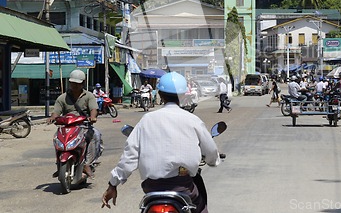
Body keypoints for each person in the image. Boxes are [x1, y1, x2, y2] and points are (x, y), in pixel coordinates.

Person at [101, 72, 221, 212]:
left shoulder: (147, 120)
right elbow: (211, 151)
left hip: (151, 188)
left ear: (161, 95)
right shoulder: (192, 120)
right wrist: (214, 161)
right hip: (183, 187)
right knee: (200, 206)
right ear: (183, 95)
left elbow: (129, 157)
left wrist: (113, 184)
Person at [47, 69, 100, 179]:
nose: (75, 86)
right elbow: (56, 111)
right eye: (73, 83)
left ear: (83, 83)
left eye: (77, 84)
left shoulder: (89, 96)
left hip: (83, 125)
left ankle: (87, 164)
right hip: (67, 126)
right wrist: (52, 118)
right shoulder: (62, 97)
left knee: (95, 135)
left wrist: (93, 117)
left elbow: (93, 108)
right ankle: (59, 164)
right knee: (56, 138)